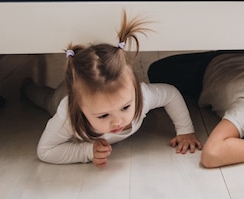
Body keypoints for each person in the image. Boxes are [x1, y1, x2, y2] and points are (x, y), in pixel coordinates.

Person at [23, 12, 202, 167]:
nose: (118, 122)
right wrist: (87, 151)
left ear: (134, 90)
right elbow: (45, 151)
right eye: (103, 116)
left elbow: (171, 94)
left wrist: (185, 130)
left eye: (125, 107)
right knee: (44, 98)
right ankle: (27, 87)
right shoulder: (68, 115)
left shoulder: (142, 95)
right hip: (62, 95)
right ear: (79, 108)